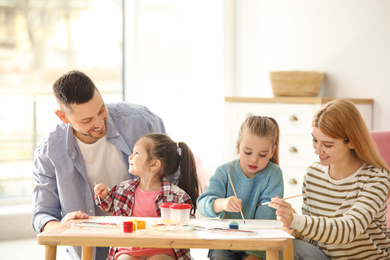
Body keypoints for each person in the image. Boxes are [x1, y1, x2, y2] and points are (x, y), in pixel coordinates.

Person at [32, 70, 170, 260]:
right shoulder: (48, 151)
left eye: (101, 110)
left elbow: (174, 177)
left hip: (149, 242)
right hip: (90, 250)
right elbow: (43, 214)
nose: (99, 124)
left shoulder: (141, 121)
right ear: (63, 117)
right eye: (87, 120)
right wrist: (61, 226)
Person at [269, 98, 390, 260]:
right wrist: (292, 223)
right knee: (290, 246)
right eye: (315, 140)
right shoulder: (313, 173)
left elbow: (348, 230)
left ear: (352, 142)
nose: (318, 150)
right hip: (325, 257)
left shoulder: (377, 178)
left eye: (327, 145)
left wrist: (298, 221)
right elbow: (313, 239)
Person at [94, 133, 199, 260]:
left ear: (154, 164)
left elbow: (188, 226)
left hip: (162, 248)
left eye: (136, 153)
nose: (130, 157)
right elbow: (107, 205)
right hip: (128, 248)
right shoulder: (123, 189)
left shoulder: (177, 196)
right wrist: (104, 194)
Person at [197, 115, 284, 260]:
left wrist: (255, 255)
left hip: (258, 245)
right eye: (248, 152)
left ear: (272, 151)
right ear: (238, 146)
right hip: (224, 242)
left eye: (262, 155)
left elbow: (267, 221)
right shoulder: (224, 171)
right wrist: (222, 203)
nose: (254, 159)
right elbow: (202, 204)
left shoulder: (273, 174)